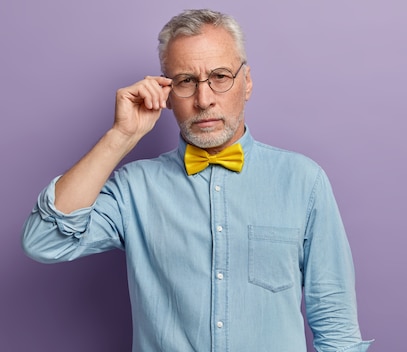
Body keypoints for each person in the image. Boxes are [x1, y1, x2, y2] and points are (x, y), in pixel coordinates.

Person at [21, 8, 372, 352]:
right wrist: (121, 136)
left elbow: (335, 323)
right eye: (186, 81)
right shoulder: (134, 188)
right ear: (167, 93)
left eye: (220, 76)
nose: (204, 100)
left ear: (246, 82)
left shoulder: (303, 181)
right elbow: (44, 241)